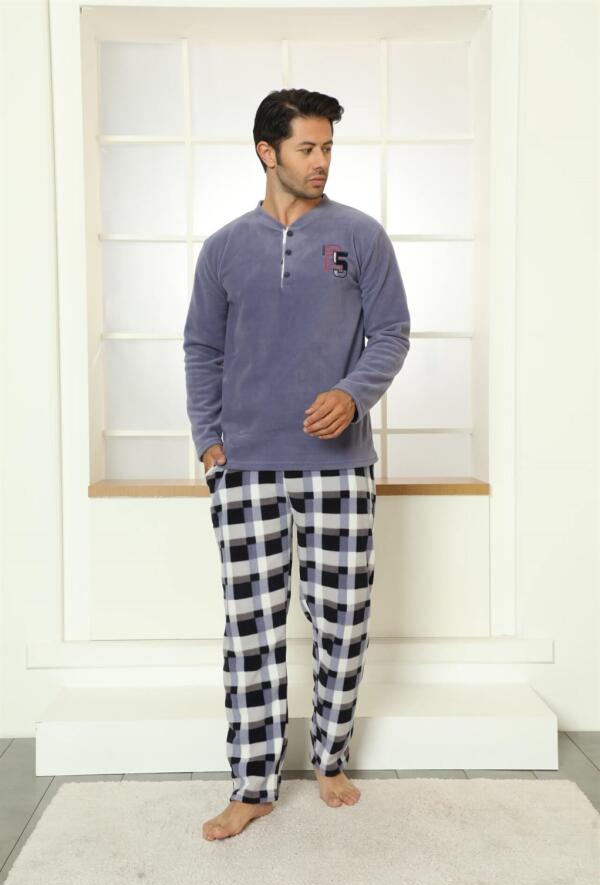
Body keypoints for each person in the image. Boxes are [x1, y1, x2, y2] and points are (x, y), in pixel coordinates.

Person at [183, 88, 411, 841]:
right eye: (307, 148)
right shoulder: (223, 248)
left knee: (343, 620)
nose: (321, 161)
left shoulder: (360, 235)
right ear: (267, 151)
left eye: (328, 148)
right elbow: (202, 348)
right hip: (245, 466)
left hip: (338, 468)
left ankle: (330, 759)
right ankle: (252, 785)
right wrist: (209, 440)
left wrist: (352, 394)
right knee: (250, 629)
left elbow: (391, 333)